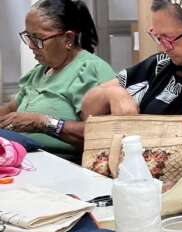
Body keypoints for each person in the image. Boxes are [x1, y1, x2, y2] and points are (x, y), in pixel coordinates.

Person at [0, 0, 113, 158]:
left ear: (68, 38)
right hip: (25, 159)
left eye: (38, 39)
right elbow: (12, 109)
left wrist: (43, 123)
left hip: (65, 166)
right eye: (28, 37)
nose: (31, 45)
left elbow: (103, 134)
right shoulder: (40, 72)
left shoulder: (90, 70)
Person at [81, 0, 182, 118]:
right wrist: (112, 94)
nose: (163, 49)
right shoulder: (160, 63)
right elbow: (86, 109)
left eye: (168, 38)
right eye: (158, 38)